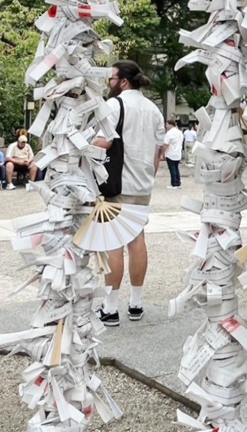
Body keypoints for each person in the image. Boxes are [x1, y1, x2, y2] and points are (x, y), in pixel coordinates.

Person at [93, 60, 163, 327]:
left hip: (118, 184)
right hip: (143, 186)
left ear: (123, 81)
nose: (109, 84)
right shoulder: (154, 109)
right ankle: (136, 303)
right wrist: (149, 176)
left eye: (111, 79)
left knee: (113, 243)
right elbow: (159, 150)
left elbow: (105, 141)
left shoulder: (114, 105)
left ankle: (110, 307)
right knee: (137, 240)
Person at [160, 119, 184, 189]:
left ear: (171, 124)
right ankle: (178, 182)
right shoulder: (180, 132)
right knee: (176, 168)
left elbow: (166, 144)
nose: (166, 126)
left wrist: (162, 153)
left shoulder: (169, 133)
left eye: (167, 124)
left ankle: (174, 183)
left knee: (172, 168)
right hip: (178, 152)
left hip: (170, 153)